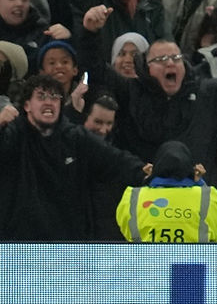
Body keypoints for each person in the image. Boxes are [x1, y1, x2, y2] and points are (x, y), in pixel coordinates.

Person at [0, 73, 150, 240]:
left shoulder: (76, 138)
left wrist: (144, 172)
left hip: (69, 247)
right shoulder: (12, 135)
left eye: (54, 97)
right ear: (27, 105)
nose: (49, 102)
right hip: (15, 247)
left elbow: (116, 161)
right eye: (41, 97)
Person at [116, 140, 217, 243]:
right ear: (190, 168)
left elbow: (125, 228)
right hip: (194, 265)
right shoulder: (207, 196)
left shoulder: (133, 196)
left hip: (147, 265)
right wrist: (200, 183)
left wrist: (148, 181)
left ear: (155, 167)